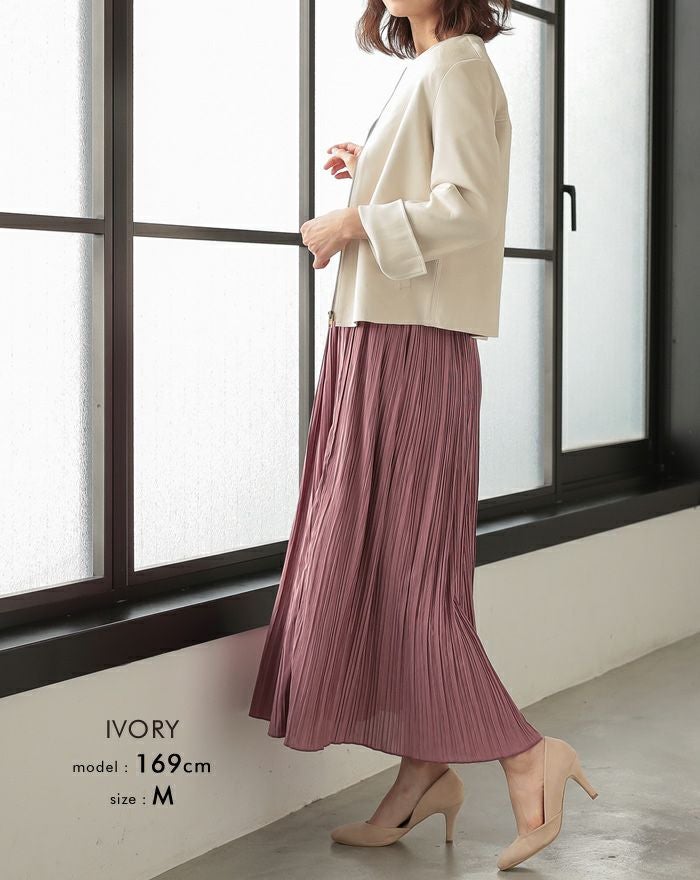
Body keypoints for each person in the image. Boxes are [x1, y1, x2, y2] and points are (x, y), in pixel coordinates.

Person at [249, 0, 599, 869]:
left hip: (408, 345)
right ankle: (425, 772)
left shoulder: (460, 62)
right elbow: (440, 192)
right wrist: (369, 171)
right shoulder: (432, 66)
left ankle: (526, 754)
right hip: (381, 338)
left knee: (409, 575)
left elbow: (470, 211)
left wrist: (352, 220)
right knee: (390, 563)